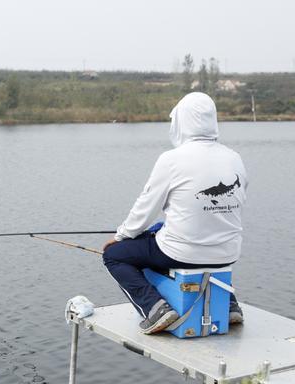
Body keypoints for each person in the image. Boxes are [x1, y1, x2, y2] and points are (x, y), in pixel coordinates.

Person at [102, 92, 248, 334]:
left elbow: (145, 208)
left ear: (182, 122)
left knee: (116, 255)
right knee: (159, 229)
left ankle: (155, 308)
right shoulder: (235, 159)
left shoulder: (172, 160)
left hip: (182, 253)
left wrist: (120, 236)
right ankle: (229, 305)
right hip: (228, 253)